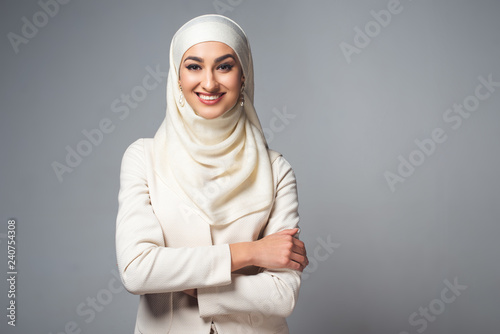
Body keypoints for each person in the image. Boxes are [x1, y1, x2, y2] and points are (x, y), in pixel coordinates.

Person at [115, 14, 308, 334]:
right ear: (177, 77)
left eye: (224, 66)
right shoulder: (143, 158)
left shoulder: (276, 170)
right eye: (193, 66)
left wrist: (187, 282)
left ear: (243, 76)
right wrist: (253, 252)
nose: (209, 82)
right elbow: (137, 271)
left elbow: (282, 295)